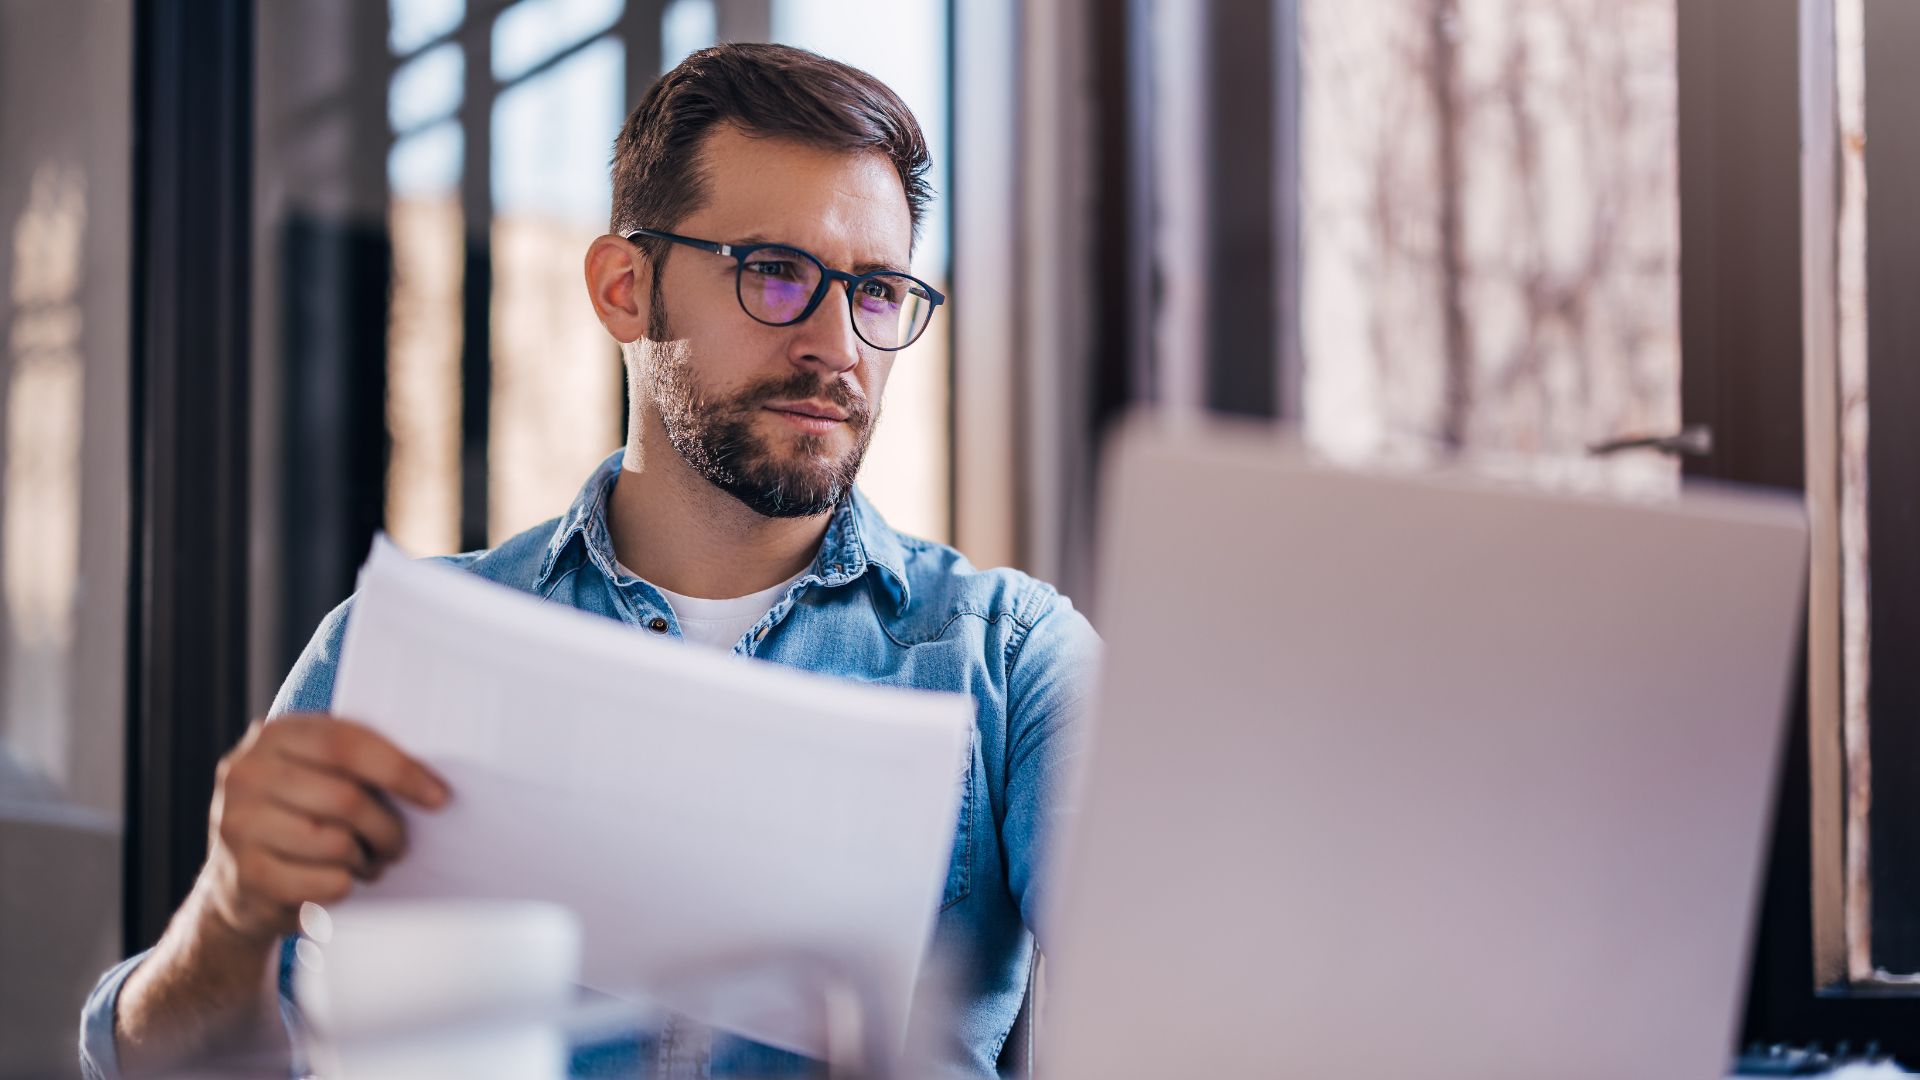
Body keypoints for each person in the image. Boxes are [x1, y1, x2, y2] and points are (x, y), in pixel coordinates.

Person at [79, 42, 1097, 1079]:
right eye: (777, 274)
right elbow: (171, 1068)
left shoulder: (1013, 663)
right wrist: (230, 912)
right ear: (624, 288)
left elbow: (1185, 994)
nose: (838, 344)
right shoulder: (403, 647)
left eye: (877, 291)